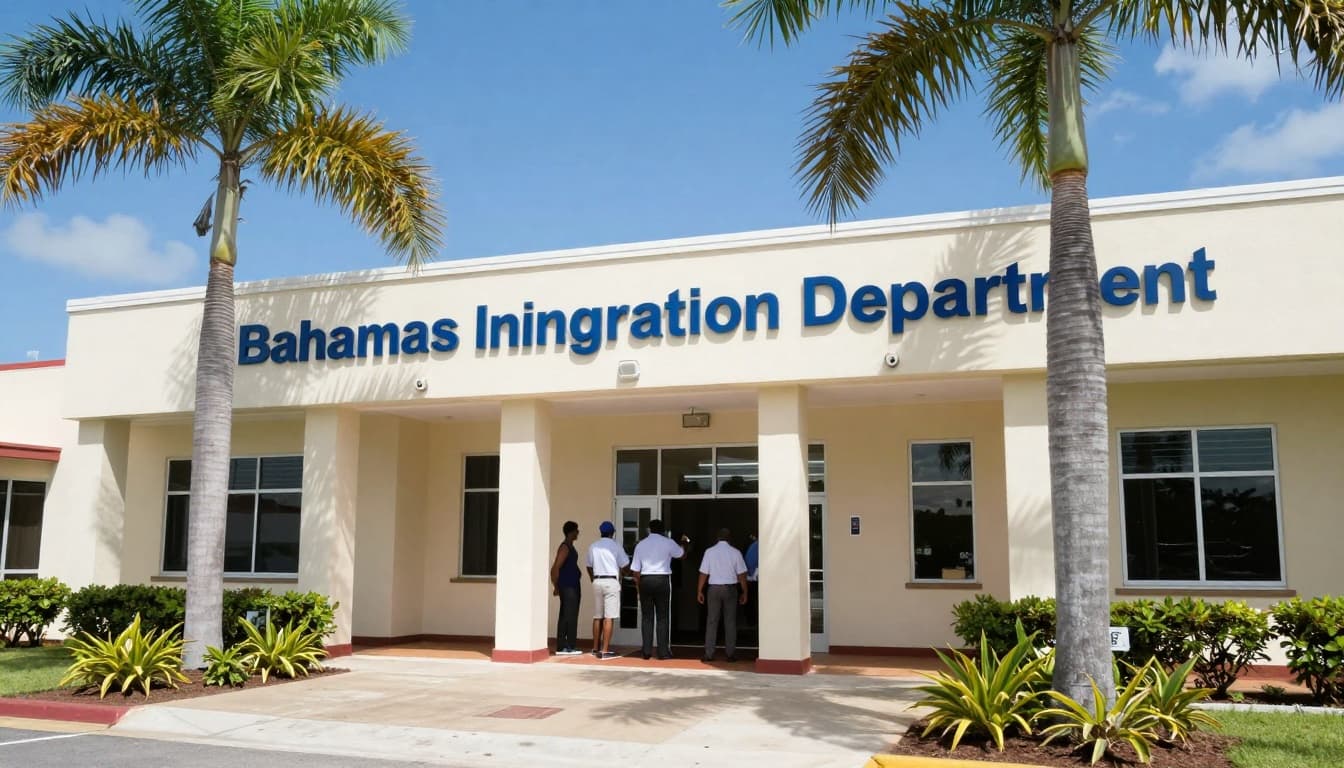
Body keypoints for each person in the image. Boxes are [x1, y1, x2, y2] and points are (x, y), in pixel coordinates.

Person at [630, 518, 688, 660]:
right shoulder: (668, 542)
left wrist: (638, 587)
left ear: (650, 529)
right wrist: (684, 543)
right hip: (662, 580)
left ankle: (646, 651)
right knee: (663, 617)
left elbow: (635, 571)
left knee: (647, 617)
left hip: (646, 580)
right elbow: (682, 555)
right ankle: (663, 652)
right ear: (662, 530)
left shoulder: (641, 545)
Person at [697, 528, 749, 662]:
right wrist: (745, 591)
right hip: (730, 589)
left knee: (712, 621)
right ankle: (730, 654)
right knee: (730, 622)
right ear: (729, 538)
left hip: (713, 589)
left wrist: (699, 590)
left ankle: (709, 654)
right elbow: (741, 574)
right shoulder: (735, 553)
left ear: (717, 538)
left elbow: (703, 573)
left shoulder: (709, 552)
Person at [586, 520, 629, 660]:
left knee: (597, 615)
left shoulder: (593, 546)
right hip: (611, 581)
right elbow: (624, 564)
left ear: (601, 532)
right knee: (608, 617)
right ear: (612, 533)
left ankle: (595, 648)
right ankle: (605, 651)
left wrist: (593, 578)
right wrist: (625, 574)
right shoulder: (616, 546)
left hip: (597, 580)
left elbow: (588, 565)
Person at [549, 520, 583, 655]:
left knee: (569, 614)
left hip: (573, 585)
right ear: (571, 532)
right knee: (568, 615)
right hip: (568, 587)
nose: (578, 533)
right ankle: (566, 646)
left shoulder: (571, 546)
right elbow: (555, 568)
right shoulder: (565, 547)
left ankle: (566, 645)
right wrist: (556, 586)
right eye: (576, 530)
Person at [744, 532, 759, 628]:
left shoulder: (753, 547)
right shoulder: (756, 546)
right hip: (756, 580)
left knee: (752, 604)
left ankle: (753, 624)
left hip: (752, 579)